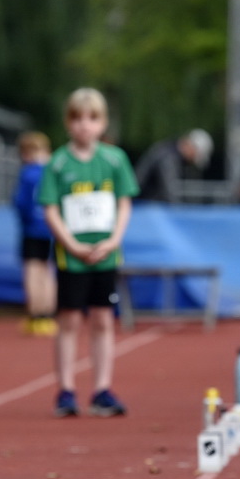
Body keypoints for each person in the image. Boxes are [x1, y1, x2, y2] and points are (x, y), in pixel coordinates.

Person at [38, 88, 138, 418]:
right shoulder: (58, 163)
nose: (85, 125)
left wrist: (113, 241)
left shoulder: (114, 160)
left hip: (106, 254)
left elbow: (124, 203)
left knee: (103, 320)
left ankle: (102, 389)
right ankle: (66, 389)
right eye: (77, 118)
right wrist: (71, 244)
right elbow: (50, 209)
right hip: (72, 256)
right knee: (69, 321)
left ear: (103, 123)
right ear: (68, 123)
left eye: (92, 118)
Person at [13, 131, 56, 337]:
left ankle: (35, 314)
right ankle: (48, 315)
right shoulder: (54, 171)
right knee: (49, 271)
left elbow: (20, 203)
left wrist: (26, 220)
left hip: (32, 229)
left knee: (33, 270)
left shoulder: (28, 173)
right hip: (53, 229)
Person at [134, 128, 213, 203]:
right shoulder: (168, 157)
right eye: (195, 155)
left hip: (144, 205)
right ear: (191, 147)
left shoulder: (168, 150)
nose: (192, 161)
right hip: (145, 206)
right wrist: (177, 208)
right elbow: (169, 193)